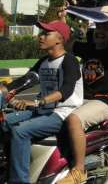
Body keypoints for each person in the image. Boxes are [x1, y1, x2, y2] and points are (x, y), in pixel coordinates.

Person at [0, 21, 82, 184]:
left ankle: (19, 180)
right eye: (41, 33)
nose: (40, 36)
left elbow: (65, 91)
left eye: (46, 34)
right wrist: (4, 89)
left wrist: (38, 102)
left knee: (21, 131)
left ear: (59, 39)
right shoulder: (43, 61)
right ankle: (8, 165)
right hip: (43, 110)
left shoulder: (69, 61)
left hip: (62, 113)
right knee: (4, 122)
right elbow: (25, 81)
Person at [59, 9, 108, 184]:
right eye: (99, 26)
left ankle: (79, 170)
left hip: (106, 101)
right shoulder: (88, 48)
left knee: (74, 120)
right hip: (83, 98)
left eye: (107, 27)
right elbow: (67, 47)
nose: (101, 31)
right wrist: (64, 21)